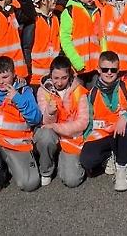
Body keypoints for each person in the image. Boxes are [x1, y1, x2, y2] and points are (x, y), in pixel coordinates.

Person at [0, 56, 43, 194]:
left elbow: (35, 118)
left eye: (5, 77)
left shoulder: (24, 91)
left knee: (30, 184)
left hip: (17, 144)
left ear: (13, 74)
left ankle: (11, 163)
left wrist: (17, 98)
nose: (1, 82)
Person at [80, 51, 127, 192]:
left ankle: (121, 170)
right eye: (105, 69)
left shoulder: (126, 87)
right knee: (86, 160)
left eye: (113, 70)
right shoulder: (92, 94)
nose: (109, 73)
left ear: (118, 70)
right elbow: (88, 121)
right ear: (98, 70)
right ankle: (110, 155)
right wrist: (86, 141)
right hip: (102, 135)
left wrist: (125, 117)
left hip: (121, 133)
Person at [34, 56, 89, 188]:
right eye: (56, 78)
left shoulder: (79, 91)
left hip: (71, 138)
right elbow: (45, 123)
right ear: (50, 75)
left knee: (72, 180)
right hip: (52, 135)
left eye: (64, 78)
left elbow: (82, 123)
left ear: (70, 75)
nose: (59, 83)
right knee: (45, 135)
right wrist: (50, 113)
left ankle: (64, 160)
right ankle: (46, 170)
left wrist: (55, 126)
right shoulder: (43, 91)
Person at [60, 0, 102, 81]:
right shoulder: (70, 11)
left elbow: (101, 37)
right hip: (77, 68)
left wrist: (102, 61)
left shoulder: (97, 11)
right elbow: (65, 39)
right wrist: (76, 62)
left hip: (95, 67)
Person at [28, 0, 63, 86]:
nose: (55, 0)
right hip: (36, 77)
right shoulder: (34, 19)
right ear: (43, 1)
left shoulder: (55, 18)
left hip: (53, 75)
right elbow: (27, 46)